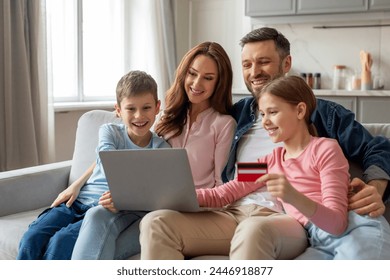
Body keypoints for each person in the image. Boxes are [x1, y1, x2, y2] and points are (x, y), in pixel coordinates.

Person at [139, 27, 390, 259]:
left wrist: (375, 188)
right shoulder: (244, 127)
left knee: (253, 229)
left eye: (263, 62)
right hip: (234, 212)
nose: (254, 71)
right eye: (247, 64)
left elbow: (377, 148)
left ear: (287, 63)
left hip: (281, 218)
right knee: (157, 223)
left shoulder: (322, 120)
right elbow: (238, 184)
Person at [70, 41, 237, 259]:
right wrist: (78, 182)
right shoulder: (166, 118)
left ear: (219, 83)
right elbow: (122, 160)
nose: (197, 83)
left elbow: (220, 184)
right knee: (95, 217)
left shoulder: (223, 124)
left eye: (208, 77)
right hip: (149, 206)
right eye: (192, 73)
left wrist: (191, 202)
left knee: (108, 245)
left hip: (189, 212)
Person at [198, 75, 390, 259]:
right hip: (317, 241)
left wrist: (292, 196)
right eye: (262, 114)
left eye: (272, 112)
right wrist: (179, 194)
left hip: (356, 231)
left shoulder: (326, 148)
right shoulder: (267, 162)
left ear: (299, 111)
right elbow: (223, 193)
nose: (265, 121)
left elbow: (337, 223)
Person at [16, 70, 170, 260]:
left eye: (146, 108)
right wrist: (76, 184)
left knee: (61, 243)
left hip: (108, 210)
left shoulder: (161, 148)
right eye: (131, 109)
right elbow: (106, 158)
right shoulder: (110, 132)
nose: (139, 116)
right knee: (32, 238)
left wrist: (123, 199)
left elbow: (157, 193)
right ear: (118, 110)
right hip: (77, 201)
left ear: (157, 107)